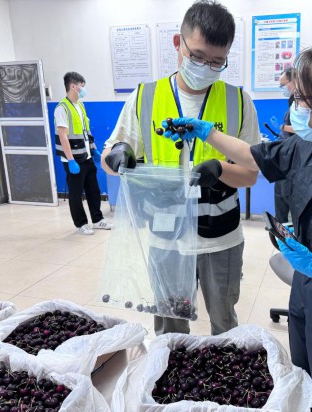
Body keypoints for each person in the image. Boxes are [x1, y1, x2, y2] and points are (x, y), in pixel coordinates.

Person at [162, 40, 312, 411]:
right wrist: (205, 132)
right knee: (304, 384)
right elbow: (254, 156)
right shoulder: (309, 146)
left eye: (302, 100)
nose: (295, 107)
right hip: (305, 294)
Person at [101, 0, 261, 336]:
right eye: (198, 56)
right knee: (170, 327)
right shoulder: (145, 97)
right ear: (178, 43)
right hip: (166, 237)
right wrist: (118, 155)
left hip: (221, 238)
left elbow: (250, 173)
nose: (206, 67)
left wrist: (220, 169)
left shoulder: (238, 101)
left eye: (217, 61)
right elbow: (110, 157)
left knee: (224, 324)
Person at [54, 71, 113, 235]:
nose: (83, 89)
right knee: (76, 193)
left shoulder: (80, 106)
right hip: (73, 160)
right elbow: (63, 137)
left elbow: (86, 131)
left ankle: (97, 219)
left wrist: (93, 149)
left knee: (93, 190)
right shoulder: (62, 109)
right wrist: (71, 160)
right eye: (82, 86)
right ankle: (81, 224)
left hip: (86, 156)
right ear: (73, 86)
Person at [275, 67, 296, 222]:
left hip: (292, 159)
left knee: (285, 196)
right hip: (285, 155)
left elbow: (304, 129)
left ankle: (284, 227)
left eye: (283, 85)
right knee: (280, 195)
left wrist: (282, 127)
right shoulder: (292, 102)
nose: (282, 88)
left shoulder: (301, 104)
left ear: (294, 81)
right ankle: (280, 227)